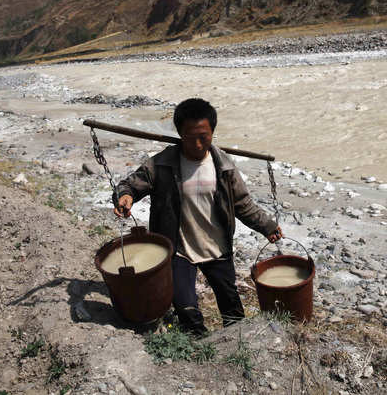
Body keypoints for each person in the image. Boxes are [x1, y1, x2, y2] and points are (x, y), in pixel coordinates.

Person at [114, 98, 283, 335]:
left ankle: (235, 349)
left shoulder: (223, 166)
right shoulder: (162, 164)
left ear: (212, 132)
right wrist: (125, 196)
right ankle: (198, 354)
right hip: (180, 250)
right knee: (186, 309)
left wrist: (266, 225)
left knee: (232, 310)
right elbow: (130, 185)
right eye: (190, 136)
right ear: (179, 133)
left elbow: (242, 203)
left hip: (217, 247)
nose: (197, 143)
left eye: (203, 136)